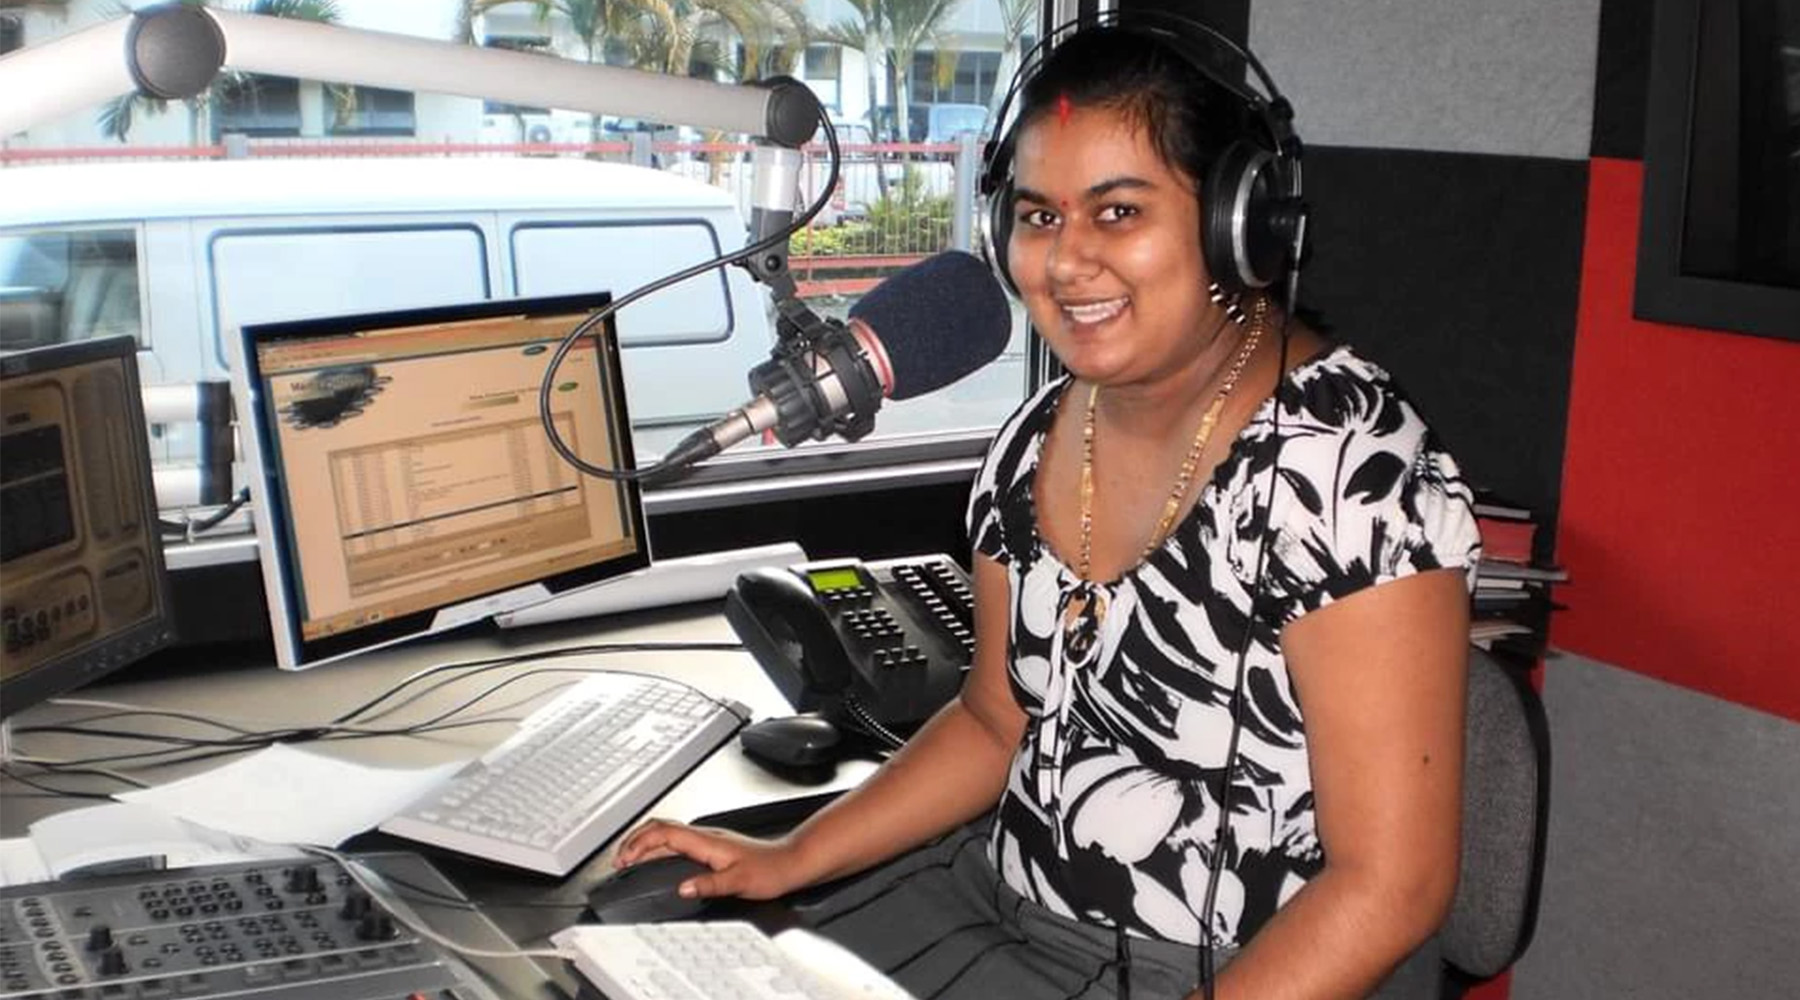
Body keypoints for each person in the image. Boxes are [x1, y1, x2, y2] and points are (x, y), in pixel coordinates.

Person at [617, 15, 1481, 1000]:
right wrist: (790, 857)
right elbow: (994, 722)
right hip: (991, 898)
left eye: (1117, 213)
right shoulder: (1034, 441)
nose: (1066, 262)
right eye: (1037, 216)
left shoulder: (1355, 473)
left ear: (1235, 221)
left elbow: (1393, 885)